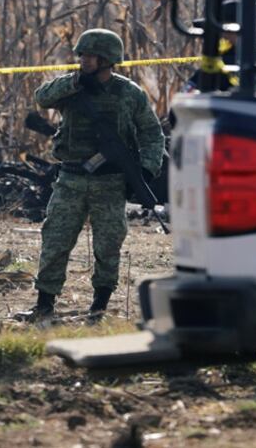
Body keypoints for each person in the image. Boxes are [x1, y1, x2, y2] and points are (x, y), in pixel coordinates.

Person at [18, 29, 165, 323]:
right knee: (55, 240)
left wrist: (147, 169)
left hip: (110, 183)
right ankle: (44, 305)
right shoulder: (72, 87)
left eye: (92, 56)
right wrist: (73, 83)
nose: (85, 60)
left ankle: (99, 308)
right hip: (70, 178)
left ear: (108, 60)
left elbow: (151, 133)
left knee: (108, 245)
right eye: (82, 54)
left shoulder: (129, 93)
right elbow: (42, 98)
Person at [182, 0, 256, 94]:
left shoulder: (215, 71)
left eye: (215, 32)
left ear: (230, 32)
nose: (209, 39)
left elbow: (176, 115)